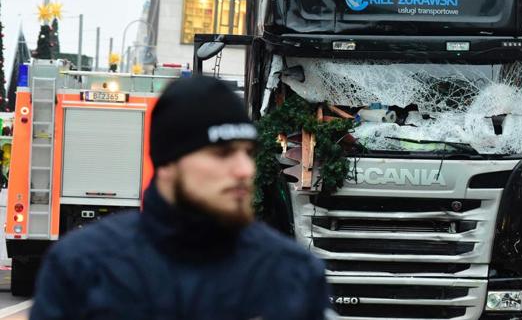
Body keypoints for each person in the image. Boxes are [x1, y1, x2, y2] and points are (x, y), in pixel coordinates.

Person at [30, 77, 333, 320]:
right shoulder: (83, 267)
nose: (244, 169)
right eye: (222, 153)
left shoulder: (290, 274)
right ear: (168, 164)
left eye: (248, 153)